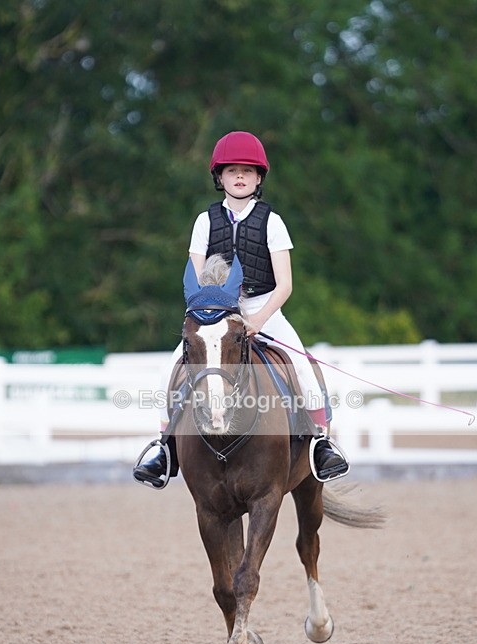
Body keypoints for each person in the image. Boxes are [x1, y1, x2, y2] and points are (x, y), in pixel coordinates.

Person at [134, 131, 349, 487]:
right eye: (232, 170)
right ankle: (164, 448)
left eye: (247, 171)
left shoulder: (272, 221)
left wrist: (258, 320)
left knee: (302, 368)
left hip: (264, 309)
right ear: (219, 177)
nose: (239, 176)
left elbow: (285, 284)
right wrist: (208, 315)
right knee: (168, 372)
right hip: (216, 313)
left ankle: (321, 445)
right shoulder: (205, 221)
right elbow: (195, 277)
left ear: (259, 178)